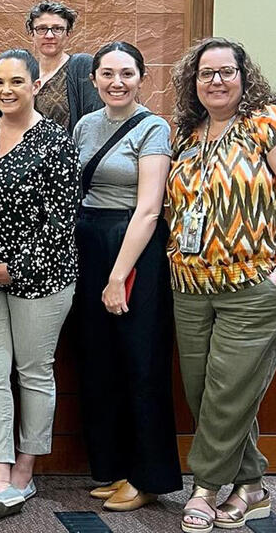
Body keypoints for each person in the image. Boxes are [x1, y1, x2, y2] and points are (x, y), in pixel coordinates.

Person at [167, 38, 276, 533]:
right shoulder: (188, 134)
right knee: (206, 392)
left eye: (225, 72)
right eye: (205, 73)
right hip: (191, 285)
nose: (215, 81)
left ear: (244, 76)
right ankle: (251, 487)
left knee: (229, 391)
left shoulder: (272, 122)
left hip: (255, 284)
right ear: (193, 81)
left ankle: (205, 489)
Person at [0, 48, 78, 524]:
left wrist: (17, 264)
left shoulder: (55, 141)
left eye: (16, 81)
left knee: (33, 373)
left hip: (43, 277)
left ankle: (25, 473)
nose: (6, 90)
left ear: (35, 85)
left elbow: (62, 219)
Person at [71, 42, 181, 513]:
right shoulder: (84, 125)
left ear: (142, 78)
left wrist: (118, 276)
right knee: (100, 360)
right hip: (88, 242)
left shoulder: (154, 126)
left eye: (127, 73)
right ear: (93, 80)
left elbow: (150, 208)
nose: (117, 82)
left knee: (141, 363)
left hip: (133, 248)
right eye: (107, 73)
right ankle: (115, 468)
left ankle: (148, 476)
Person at [26, 1, 102, 132]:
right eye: (42, 29)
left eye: (57, 29)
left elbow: (95, 122)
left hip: (72, 151)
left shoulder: (81, 66)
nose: (49, 35)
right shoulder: (26, 74)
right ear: (32, 34)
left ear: (68, 33)